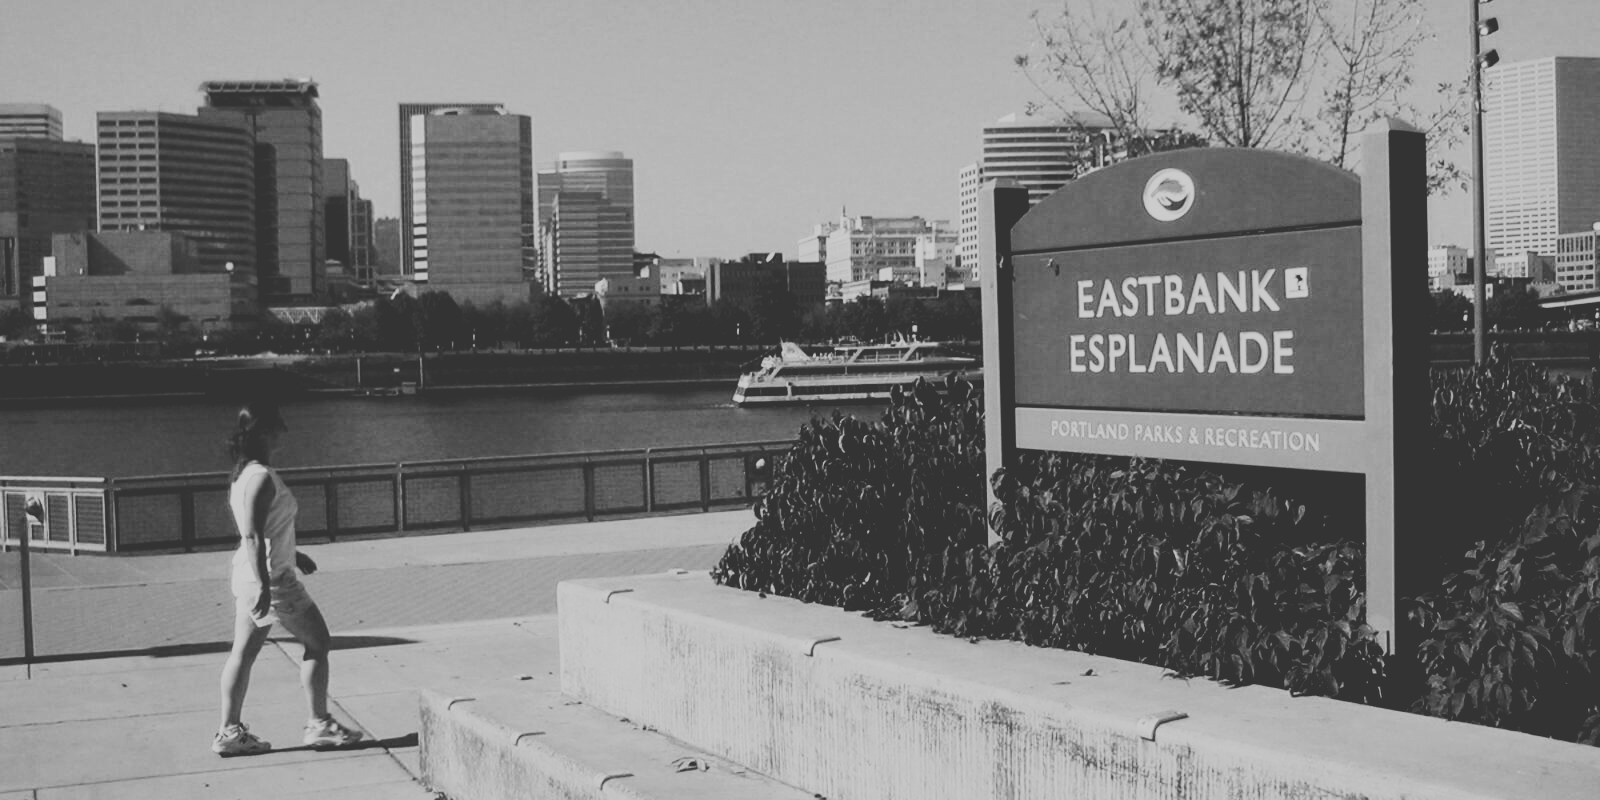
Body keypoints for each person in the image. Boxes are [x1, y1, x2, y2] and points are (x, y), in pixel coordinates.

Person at [213, 402, 365, 756]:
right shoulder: (262, 477)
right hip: (273, 581)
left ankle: (229, 732)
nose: (283, 432)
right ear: (262, 433)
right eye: (277, 427)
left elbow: (265, 531)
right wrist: (267, 584)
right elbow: (251, 535)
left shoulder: (243, 475)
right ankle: (319, 723)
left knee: (242, 654)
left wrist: (294, 553)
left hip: (254, 576)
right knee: (319, 643)